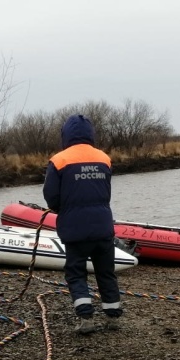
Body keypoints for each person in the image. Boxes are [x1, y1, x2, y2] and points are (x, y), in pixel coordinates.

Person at [43, 114, 123, 334]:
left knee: (76, 272)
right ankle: (113, 315)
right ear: (90, 134)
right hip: (102, 226)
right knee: (106, 271)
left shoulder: (59, 160)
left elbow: (51, 196)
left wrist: (62, 209)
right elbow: (106, 192)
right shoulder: (104, 158)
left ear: (66, 135)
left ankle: (86, 317)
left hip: (75, 228)